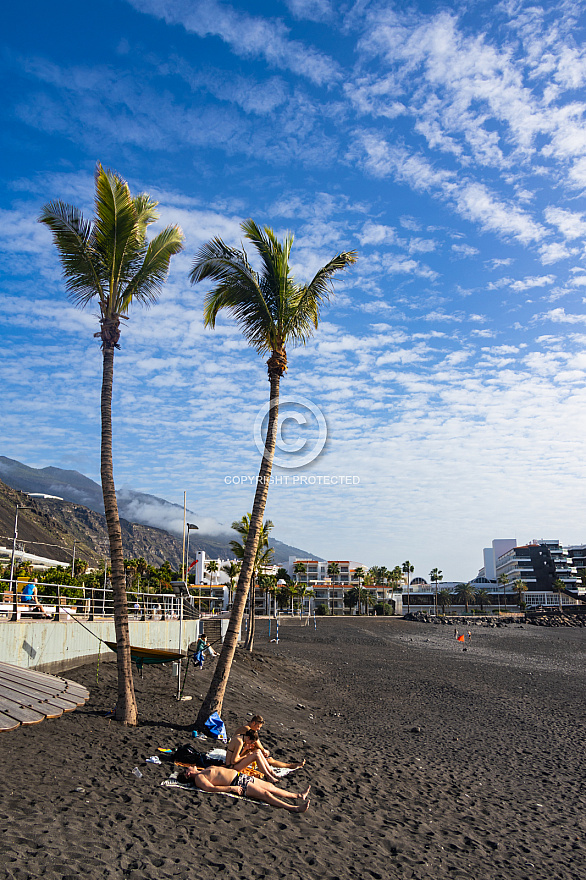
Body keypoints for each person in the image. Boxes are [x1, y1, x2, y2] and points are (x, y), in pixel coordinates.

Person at [178, 765, 310, 812]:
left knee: (270, 787)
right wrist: (231, 788)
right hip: (237, 783)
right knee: (266, 794)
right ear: (187, 774)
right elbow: (211, 788)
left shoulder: (202, 771)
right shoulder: (198, 778)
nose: (189, 767)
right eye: (187, 769)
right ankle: (294, 808)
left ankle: (298, 796)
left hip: (241, 776)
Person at [234, 715, 305, 770]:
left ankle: (290, 765)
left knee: (263, 756)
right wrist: (263, 750)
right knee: (265, 758)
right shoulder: (247, 729)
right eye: (258, 727)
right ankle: (290, 766)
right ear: (253, 723)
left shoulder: (246, 729)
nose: (259, 729)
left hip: (241, 752)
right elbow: (256, 741)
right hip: (239, 755)